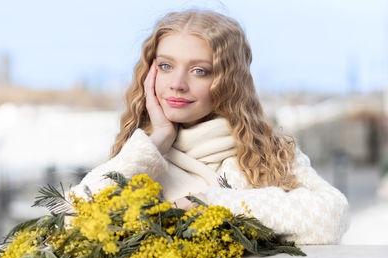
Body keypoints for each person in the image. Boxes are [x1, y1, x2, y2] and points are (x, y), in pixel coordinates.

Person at [71, 9, 349, 245]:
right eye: (166, 66)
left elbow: (332, 216)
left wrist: (211, 204)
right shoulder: (140, 156)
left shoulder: (267, 153)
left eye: (199, 71)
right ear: (149, 74)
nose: (177, 83)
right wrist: (155, 142)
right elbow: (71, 218)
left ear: (229, 82)